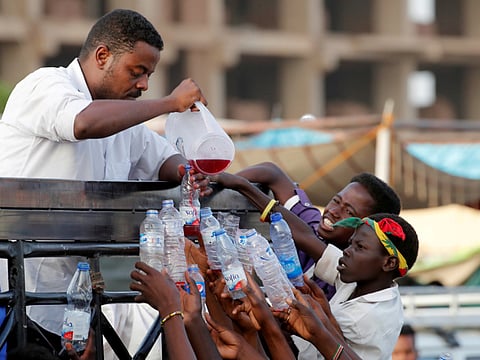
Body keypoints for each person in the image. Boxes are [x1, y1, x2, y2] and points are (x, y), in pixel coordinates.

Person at [0, 8, 210, 358]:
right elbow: (82, 123)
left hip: (71, 300)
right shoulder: (47, 85)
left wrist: (189, 172)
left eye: (149, 75)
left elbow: (161, 159)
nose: (144, 85)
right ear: (102, 57)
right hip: (15, 294)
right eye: (137, 72)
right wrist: (170, 103)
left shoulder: (122, 117)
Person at [219, 162, 401, 298]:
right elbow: (271, 172)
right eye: (336, 201)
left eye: (348, 212)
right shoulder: (315, 226)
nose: (333, 212)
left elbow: (305, 237)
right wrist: (219, 188)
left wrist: (238, 184)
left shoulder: (350, 275)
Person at [275, 213, 419, 359]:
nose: (347, 250)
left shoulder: (366, 317)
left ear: (389, 263)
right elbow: (308, 238)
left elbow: (297, 341)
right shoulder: (366, 281)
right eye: (351, 243)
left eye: (360, 247)